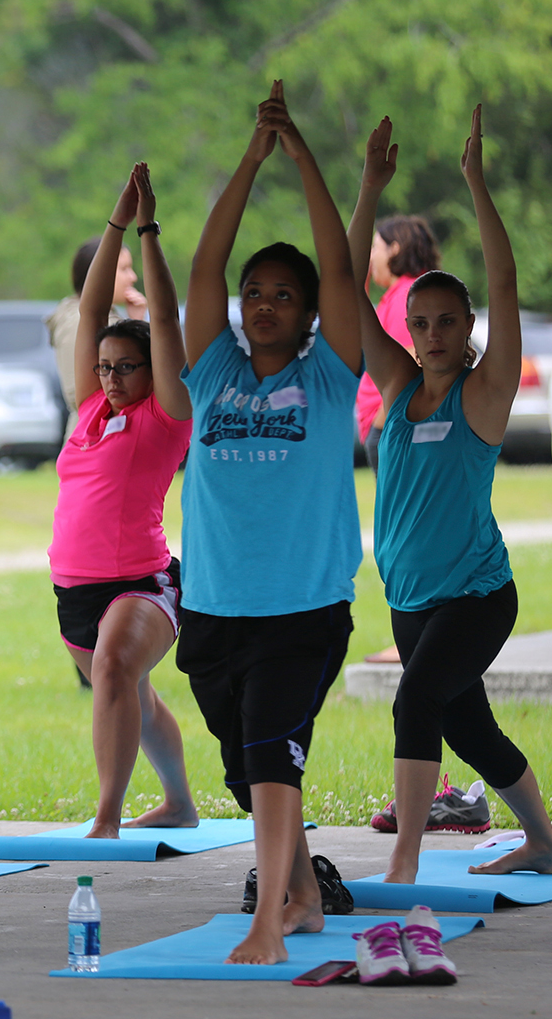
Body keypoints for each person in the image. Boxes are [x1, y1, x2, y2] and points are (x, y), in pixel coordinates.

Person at [348, 112, 552, 886]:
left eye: (447, 321)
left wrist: (475, 181)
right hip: (409, 596)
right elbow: (342, 290)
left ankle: (403, 864)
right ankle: (544, 842)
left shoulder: (483, 397)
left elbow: (505, 283)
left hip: (476, 594)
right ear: (406, 328)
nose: (433, 332)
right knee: (467, 727)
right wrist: (370, 187)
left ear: (466, 325)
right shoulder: (399, 386)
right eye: (421, 322)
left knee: (415, 706)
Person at [175, 81, 363, 965]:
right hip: (214, 610)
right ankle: (301, 896)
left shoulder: (329, 378)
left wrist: (304, 163)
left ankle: (269, 921)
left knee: (270, 757)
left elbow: (342, 272)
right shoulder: (211, 373)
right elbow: (203, 271)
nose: (261, 303)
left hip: (300, 610)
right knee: (245, 765)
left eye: (282, 294)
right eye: (256, 292)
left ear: (309, 310)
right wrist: (249, 162)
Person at [50, 162, 196, 838]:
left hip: (139, 582)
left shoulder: (164, 416)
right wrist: (111, 220)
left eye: (124, 366)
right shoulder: (88, 409)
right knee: (132, 691)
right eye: (103, 365)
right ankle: (179, 801)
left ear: (151, 370)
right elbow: (89, 308)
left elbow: (162, 317)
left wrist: (145, 229)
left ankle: (106, 817)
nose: (109, 376)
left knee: (113, 667)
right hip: (74, 589)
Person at [348, 213, 441, 469]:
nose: (371, 257)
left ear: (394, 249)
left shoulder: (405, 297)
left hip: (391, 424)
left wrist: (382, 424)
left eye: (376, 247)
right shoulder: (403, 293)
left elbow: (413, 359)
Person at [46, 232, 149, 401]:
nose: (133, 277)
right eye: (124, 269)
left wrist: (136, 323)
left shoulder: (105, 316)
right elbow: (80, 395)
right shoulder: (78, 322)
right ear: (98, 275)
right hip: (97, 425)